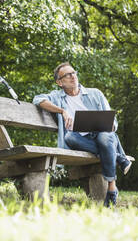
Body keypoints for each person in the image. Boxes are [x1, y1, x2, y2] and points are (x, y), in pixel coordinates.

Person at [33, 62, 132, 207]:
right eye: (67, 75)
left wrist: (111, 124)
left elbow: (113, 121)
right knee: (69, 137)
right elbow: (37, 99)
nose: (73, 76)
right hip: (80, 140)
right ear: (59, 82)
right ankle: (119, 157)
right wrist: (62, 111)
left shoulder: (95, 93)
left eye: (73, 73)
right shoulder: (57, 97)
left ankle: (112, 188)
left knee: (105, 138)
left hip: (102, 135)